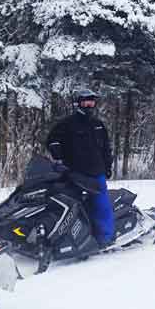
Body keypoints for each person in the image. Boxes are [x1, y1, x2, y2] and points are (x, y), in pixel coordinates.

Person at [46, 89, 115, 246]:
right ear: (78, 103)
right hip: (73, 172)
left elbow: (106, 149)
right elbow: (52, 140)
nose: (89, 104)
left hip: (96, 172)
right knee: (69, 205)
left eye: (91, 101)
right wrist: (57, 153)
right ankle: (69, 239)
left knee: (101, 205)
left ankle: (106, 238)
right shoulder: (67, 124)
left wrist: (108, 166)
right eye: (85, 101)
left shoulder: (98, 125)